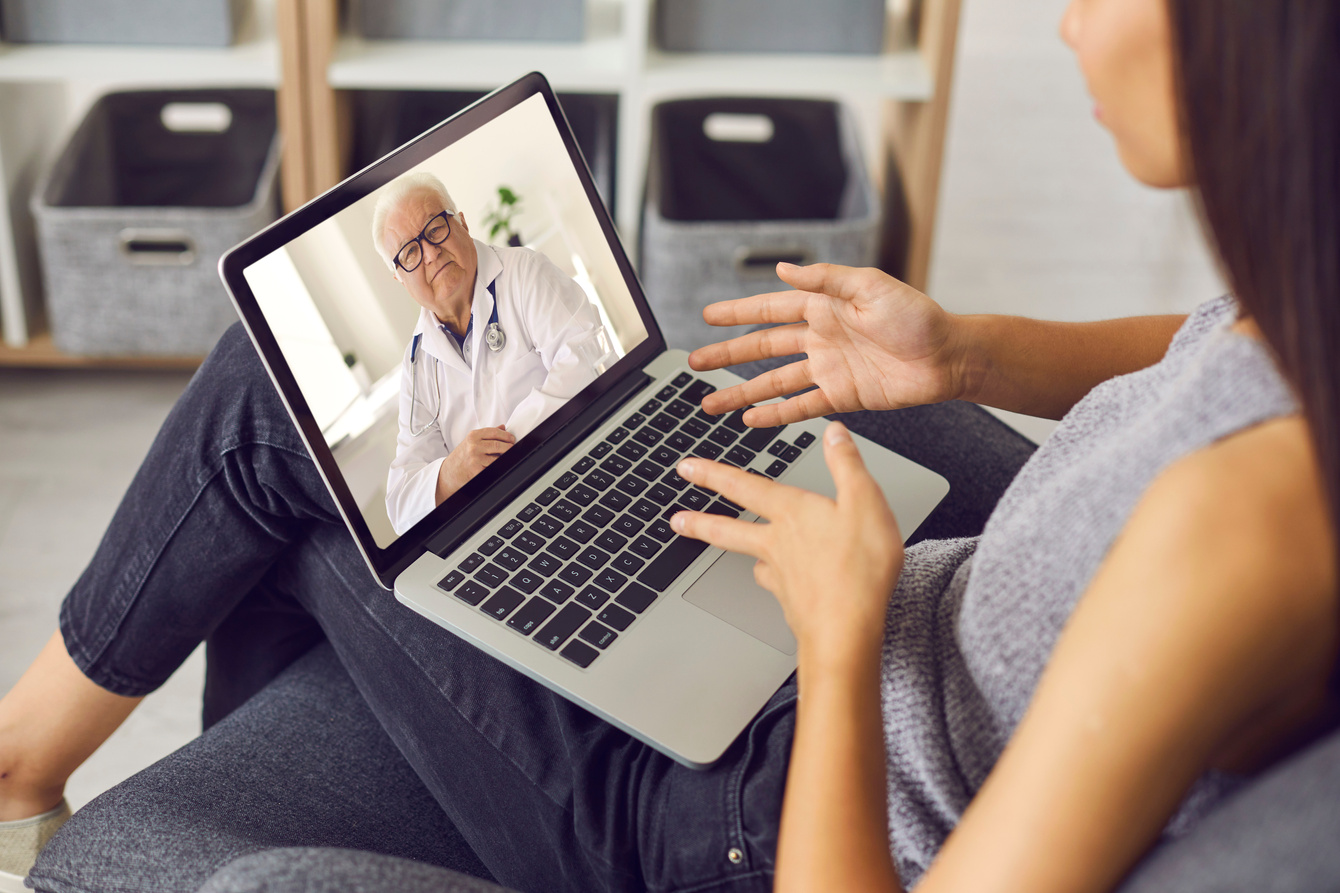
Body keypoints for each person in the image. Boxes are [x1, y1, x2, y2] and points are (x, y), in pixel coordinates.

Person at [2, 0, 1338, 891]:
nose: (1070, 23)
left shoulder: (1239, 531)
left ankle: (26, 772)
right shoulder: (1311, 316)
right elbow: (1210, 338)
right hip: (869, 649)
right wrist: (969, 355)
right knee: (363, 485)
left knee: (276, 423)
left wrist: (838, 626)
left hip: (755, 809)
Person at [374, 171, 607, 534]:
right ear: (399, 277)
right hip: (500, 526)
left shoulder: (525, 273)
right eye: (410, 252)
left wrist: (494, 458)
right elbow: (401, 505)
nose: (431, 253)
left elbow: (585, 360)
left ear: (462, 223)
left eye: (435, 229)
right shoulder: (417, 363)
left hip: (576, 471)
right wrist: (451, 473)